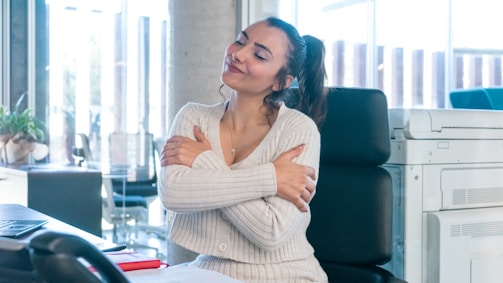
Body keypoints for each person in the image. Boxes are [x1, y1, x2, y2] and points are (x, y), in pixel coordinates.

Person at [159, 16, 329, 283]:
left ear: (281, 81)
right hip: (208, 271)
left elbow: (271, 231)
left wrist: (204, 160)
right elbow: (173, 193)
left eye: (259, 55)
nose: (237, 54)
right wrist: (272, 178)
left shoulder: (298, 129)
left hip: (286, 275)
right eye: (240, 41)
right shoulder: (193, 117)